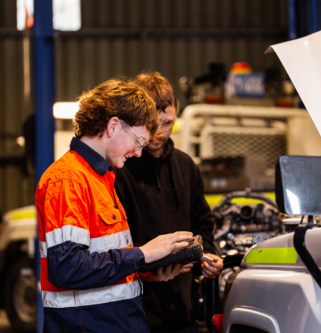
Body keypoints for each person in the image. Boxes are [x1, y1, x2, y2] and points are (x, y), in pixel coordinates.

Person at [35, 78, 194, 333]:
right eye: (138, 142)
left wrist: (142, 270)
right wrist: (143, 254)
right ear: (113, 126)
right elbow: (67, 268)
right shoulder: (69, 180)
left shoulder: (101, 178)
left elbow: (101, 260)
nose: (138, 153)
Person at [115, 72, 224, 332]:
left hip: (184, 313)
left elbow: (202, 223)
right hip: (136, 315)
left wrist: (209, 254)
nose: (160, 132)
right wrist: (148, 267)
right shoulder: (120, 169)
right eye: (153, 123)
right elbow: (115, 242)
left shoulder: (186, 166)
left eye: (168, 123)